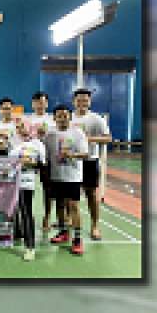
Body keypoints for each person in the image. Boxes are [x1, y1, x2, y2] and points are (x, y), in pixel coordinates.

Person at [46, 104, 89, 255]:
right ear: (54, 118)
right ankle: (63, 232)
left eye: (65, 115)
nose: (62, 118)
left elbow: (85, 154)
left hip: (73, 176)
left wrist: (71, 155)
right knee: (59, 205)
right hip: (56, 175)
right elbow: (45, 154)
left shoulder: (78, 133)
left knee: (73, 206)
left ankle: (77, 239)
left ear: (70, 117)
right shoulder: (50, 135)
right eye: (59, 116)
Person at [71, 88, 112, 240]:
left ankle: (95, 225)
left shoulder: (96, 119)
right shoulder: (68, 118)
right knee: (70, 194)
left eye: (85, 100)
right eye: (79, 100)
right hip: (71, 161)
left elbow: (108, 138)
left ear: (89, 101)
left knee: (91, 194)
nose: (82, 102)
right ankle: (70, 221)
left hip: (89, 161)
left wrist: (88, 139)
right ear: (74, 101)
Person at [11, 118, 47, 261]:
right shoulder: (15, 144)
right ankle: (17, 234)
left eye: (23, 126)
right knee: (16, 211)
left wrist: (32, 163)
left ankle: (30, 247)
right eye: (18, 127)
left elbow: (43, 166)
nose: (21, 129)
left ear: (30, 127)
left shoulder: (37, 144)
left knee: (26, 211)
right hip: (11, 183)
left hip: (26, 182)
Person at [27, 91, 56, 233]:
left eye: (43, 102)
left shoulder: (52, 120)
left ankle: (47, 217)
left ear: (47, 104)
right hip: (30, 159)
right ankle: (28, 216)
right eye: (37, 102)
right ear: (33, 104)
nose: (40, 105)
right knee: (28, 188)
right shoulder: (27, 120)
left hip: (47, 159)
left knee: (48, 189)